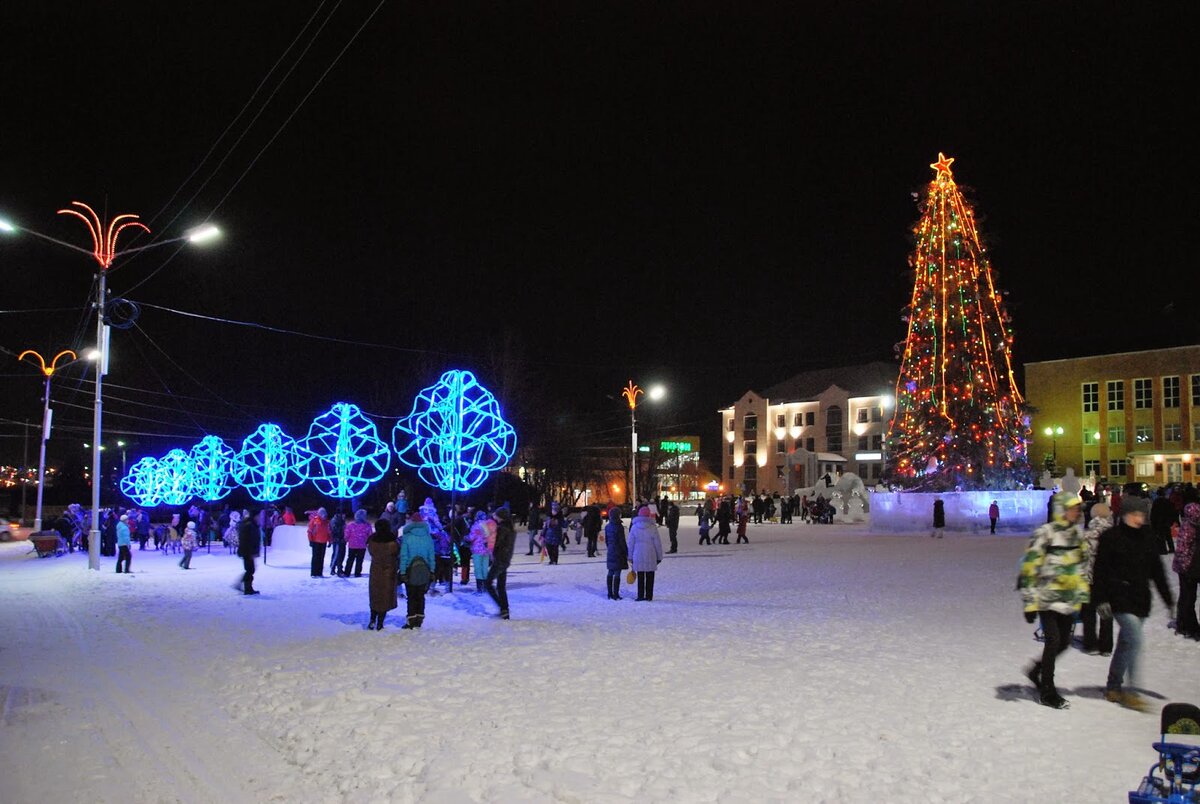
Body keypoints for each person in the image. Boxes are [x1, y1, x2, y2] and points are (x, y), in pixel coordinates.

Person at [1092, 495, 1174, 712]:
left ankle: (1113, 686)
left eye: (1142, 515)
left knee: (1126, 644)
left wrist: (1168, 600)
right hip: (1119, 598)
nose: (1140, 519)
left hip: (1141, 599)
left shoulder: (1147, 537)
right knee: (1135, 641)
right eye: (1136, 514)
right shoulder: (1111, 537)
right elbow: (1100, 570)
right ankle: (1132, 691)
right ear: (1125, 515)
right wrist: (1101, 599)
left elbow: (1157, 571)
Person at [1017, 491, 1088, 709]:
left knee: (1064, 643)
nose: (1077, 513)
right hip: (1047, 597)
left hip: (1067, 598)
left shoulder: (1076, 534)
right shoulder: (1045, 534)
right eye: (1073, 508)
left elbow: (1081, 567)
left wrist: (1083, 596)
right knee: (1054, 640)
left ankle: (1036, 670)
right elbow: (1030, 567)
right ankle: (1048, 690)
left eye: (1078, 509)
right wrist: (1030, 603)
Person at [1080, 503, 1114, 655]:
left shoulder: (1086, 535)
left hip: (1087, 578)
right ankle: (1106, 646)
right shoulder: (1115, 535)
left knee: (1088, 612)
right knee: (1106, 612)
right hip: (1107, 579)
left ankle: (1090, 644)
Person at [399, 513, 436, 629]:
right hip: (424, 569)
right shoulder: (428, 536)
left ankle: (411, 619)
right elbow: (431, 555)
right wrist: (432, 570)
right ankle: (419, 619)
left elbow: (404, 556)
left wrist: (403, 571)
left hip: (410, 570)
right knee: (421, 595)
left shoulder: (407, 536)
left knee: (411, 596)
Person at [1173, 502, 1200, 639]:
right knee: (1187, 597)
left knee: (1188, 597)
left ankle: (1184, 623)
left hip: (1190, 568)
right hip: (1186, 568)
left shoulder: (1193, 526)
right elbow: (1182, 550)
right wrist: (1186, 567)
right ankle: (1186, 625)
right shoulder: (1189, 527)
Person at [367, 519, 399, 630]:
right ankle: (380, 623)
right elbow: (396, 553)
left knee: (375, 596)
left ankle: (372, 619)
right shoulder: (392, 542)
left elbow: (371, 552)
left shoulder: (372, 540)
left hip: (375, 571)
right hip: (388, 572)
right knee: (385, 597)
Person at [627, 505, 664, 601]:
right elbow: (657, 543)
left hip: (638, 554)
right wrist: (659, 556)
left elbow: (630, 543)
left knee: (640, 576)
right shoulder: (652, 528)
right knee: (650, 576)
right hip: (650, 554)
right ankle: (649, 596)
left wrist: (630, 556)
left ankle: (640, 595)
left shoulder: (634, 527)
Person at [485, 507, 515, 619]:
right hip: (505, 559)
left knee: (488, 583)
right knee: (501, 586)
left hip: (500, 560)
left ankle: (503, 607)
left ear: (501, 516)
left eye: (496, 515)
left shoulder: (502, 529)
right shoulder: (509, 528)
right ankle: (504, 610)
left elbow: (496, 543)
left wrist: (486, 541)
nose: (494, 516)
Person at [604, 507, 628, 600]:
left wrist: (610, 547)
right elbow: (622, 541)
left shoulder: (607, 527)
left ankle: (609, 593)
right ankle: (616, 594)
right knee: (617, 572)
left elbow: (606, 540)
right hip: (618, 551)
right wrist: (626, 552)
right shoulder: (619, 527)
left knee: (610, 571)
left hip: (610, 550)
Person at [237, 509, 261, 595]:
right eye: (259, 516)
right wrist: (250, 552)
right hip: (247, 551)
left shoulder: (252, 524)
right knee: (250, 570)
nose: (260, 517)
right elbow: (247, 540)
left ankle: (246, 587)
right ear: (255, 516)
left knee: (250, 569)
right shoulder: (249, 525)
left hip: (248, 551)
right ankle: (247, 588)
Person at [468, 511, 493, 594]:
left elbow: (471, 537)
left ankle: (479, 588)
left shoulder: (476, 526)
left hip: (477, 550)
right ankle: (485, 587)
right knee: (484, 568)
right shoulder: (487, 526)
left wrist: (465, 538)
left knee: (478, 569)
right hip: (486, 550)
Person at [343, 509, 372, 577]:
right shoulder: (367, 525)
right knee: (359, 560)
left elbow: (347, 534)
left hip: (352, 545)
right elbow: (370, 535)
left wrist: (346, 539)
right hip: (362, 545)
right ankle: (357, 573)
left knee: (350, 559)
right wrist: (367, 541)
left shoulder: (351, 525)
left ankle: (347, 572)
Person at [306, 507, 330, 578]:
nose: (324, 517)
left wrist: (329, 541)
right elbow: (310, 531)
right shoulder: (315, 520)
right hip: (316, 541)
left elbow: (328, 532)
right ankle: (314, 572)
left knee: (321, 557)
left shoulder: (326, 522)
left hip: (323, 542)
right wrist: (310, 540)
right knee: (315, 557)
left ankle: (319, 572)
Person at [328, 510, 347, 577]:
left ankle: (340, 568)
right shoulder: (334, 521)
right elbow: (334, 530)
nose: (344, 516)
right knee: (336, 555)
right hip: (337, 541)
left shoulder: (342, 521)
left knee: (342, 555)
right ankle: (333, 568)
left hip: (342, 541)